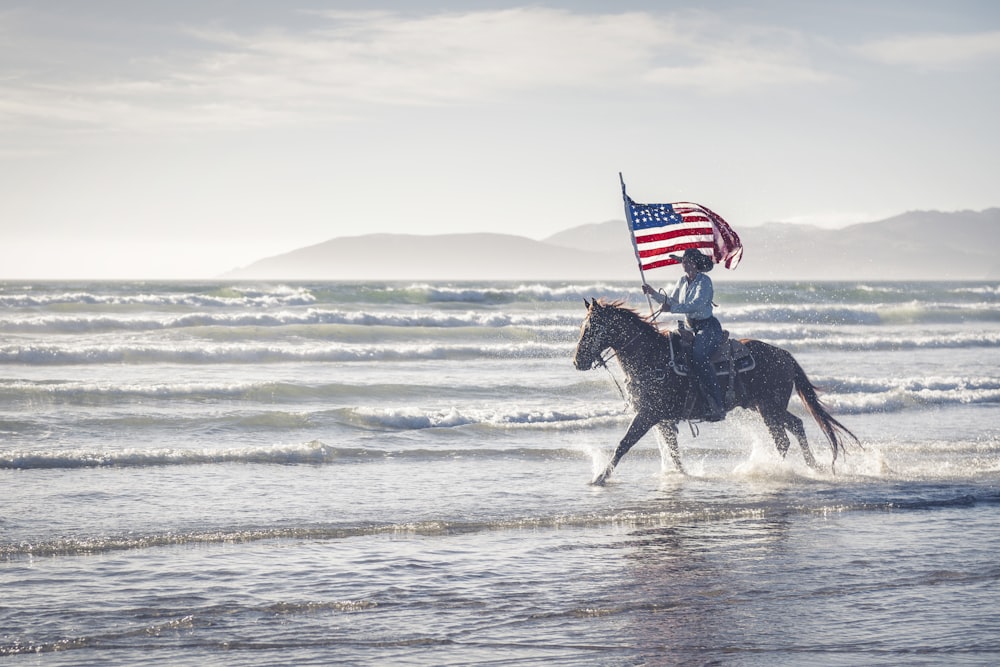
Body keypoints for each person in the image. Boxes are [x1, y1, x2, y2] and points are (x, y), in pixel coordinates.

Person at [642, 248, 726, 421]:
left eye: (687, 261)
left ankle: (717, 403)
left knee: (699, 357)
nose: (684, 264)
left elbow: (696, 304)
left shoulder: (705, 282)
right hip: (690, 327)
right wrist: (653, 293)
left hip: (708, 327)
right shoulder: (682, 281)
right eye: (683, 261)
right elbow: (672, 301)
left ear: (695, 264)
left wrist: (672, 308)